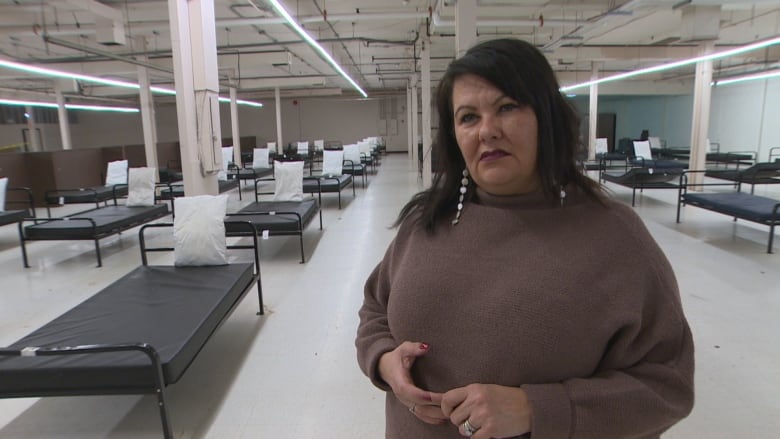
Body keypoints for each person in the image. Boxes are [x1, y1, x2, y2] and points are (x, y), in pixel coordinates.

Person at [355, 38, 694, 439]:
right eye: (467, 117)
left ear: (546, 118)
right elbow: (376, 306)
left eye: (507, 107)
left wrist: (538, 410)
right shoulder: (426, 223)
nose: (487, 131)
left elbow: (668, 387)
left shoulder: (616, 238)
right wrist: (383, 359)